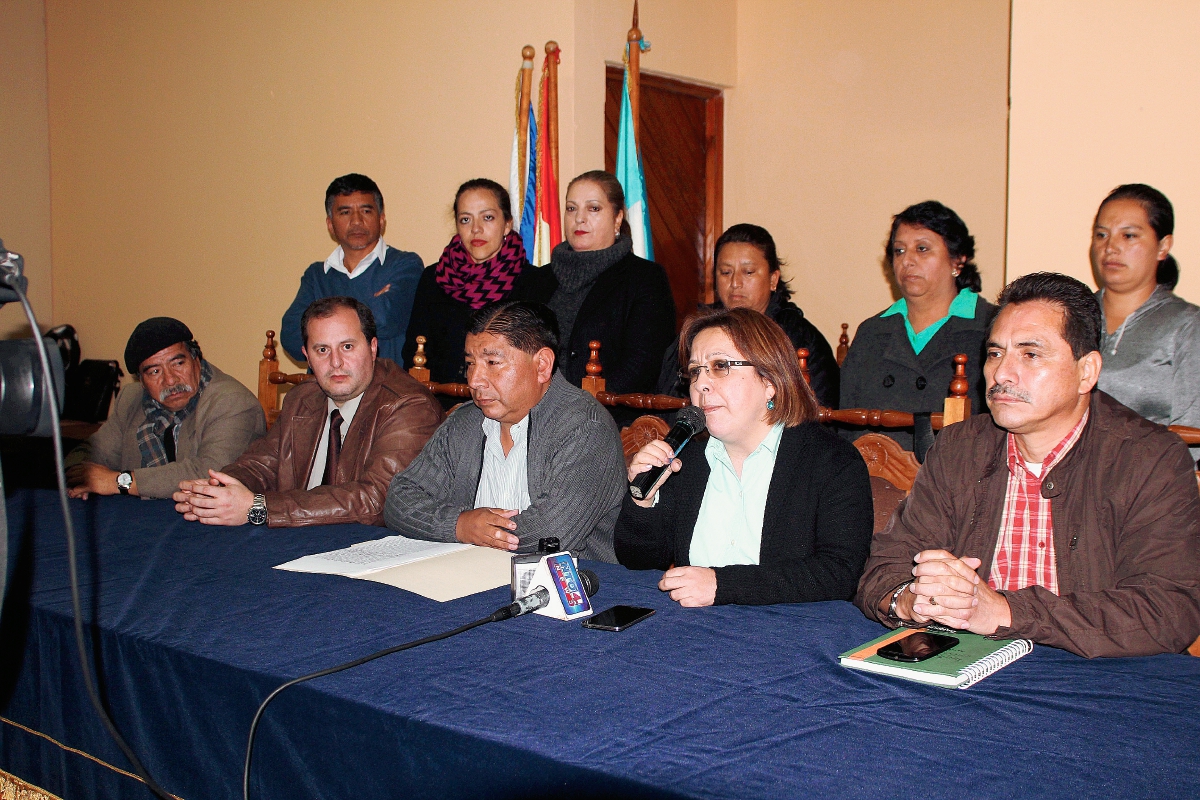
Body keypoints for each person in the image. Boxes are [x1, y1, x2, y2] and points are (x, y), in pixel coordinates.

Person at [855, 273, 1200, 658]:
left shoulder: (1150, 458)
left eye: (1030, 354)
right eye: (995, 353)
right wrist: (908, 598)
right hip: (972, 666)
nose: (1001, 373)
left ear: (1086, 371)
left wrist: (1004, 611)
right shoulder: (960, 448)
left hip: (1100, 678)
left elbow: (1169, 608)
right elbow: (885, 564)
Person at [617, 307, 874, 607]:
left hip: (793, 634)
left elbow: (839, 573)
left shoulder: (832, 461)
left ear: (770, 382)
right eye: (696, 370)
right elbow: (637, 562)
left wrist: (722, 585)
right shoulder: (688, 459)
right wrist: (643, 501)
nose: (701, 383)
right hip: (697, 630)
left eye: (720, 366)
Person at [385, 300, 625, 562]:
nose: (475, 380)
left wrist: (480, 532)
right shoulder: (466, 422)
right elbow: (400, 500)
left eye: (492, 362)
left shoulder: (585, 427)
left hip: (573, 587)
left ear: (542, 365)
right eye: (470, 363)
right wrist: (460, 525)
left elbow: (551, 534)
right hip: (470, 575)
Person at [174, 297, 442, 527]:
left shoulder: (408, 406)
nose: (335, 362)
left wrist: (260, 508)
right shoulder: (302, 398)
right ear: (307, 355)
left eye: (347, 347)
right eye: (322, 350)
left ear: (372, 348)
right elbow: (262, 464)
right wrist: (218, 492)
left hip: (372, 552)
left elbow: (377, 500)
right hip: (298, 542)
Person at [839, 201, 996, 450]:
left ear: (958, 260)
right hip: (874, 477)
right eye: (899, 251)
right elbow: (844, 424)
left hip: (956, 479)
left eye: (922, 249)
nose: (907, 261)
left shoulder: (991, 327)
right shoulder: (872, 331)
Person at [66, 317, 265, 500]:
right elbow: (93, 451)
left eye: (178, 363)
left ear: (196, 359)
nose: (170, 380)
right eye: (154, 371)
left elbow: (209, 474)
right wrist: (83, 478)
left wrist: (118, 482)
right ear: (141, 381)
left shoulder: (232, 401)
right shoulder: (131, 399)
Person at [656, 224, 839, 408]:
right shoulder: (697, 332)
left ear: (773, 279)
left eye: (748, 272)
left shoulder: (798, 337)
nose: (735, 283)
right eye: (726, 272)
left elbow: (821, 413)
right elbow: (667, 400)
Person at [401, 178, 555, 391]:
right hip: (439, 402)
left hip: (508, 405)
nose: (476, 229)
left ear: (507, 224)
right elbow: (414, 352)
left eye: (488, 218)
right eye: (465, 220)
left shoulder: (536, 282)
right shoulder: (434, 277)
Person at [1090, 183, 1200, 464]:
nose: (1110, 247)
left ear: (1163, 246)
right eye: (1101, 235)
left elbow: (1192, 433)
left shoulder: (1186, 324)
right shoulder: (1071, 315)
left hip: (1151, 484)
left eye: (1128, 236)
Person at [547, 170, 675, 396]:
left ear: (617, 218)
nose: (579, 218)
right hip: (532, 416)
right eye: (571, 208)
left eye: (593, 208)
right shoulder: (536, 280)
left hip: (608, 418)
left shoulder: (645, 279)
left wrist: (578, 408)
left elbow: (642, 366)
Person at [281, 174, 423, 365]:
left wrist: (322, 325)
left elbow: (387, 318)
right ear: (330, 224)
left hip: (387, 390)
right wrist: (373, 303)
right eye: (345, 212)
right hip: (327, 391)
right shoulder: (317, 276)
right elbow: (291, 337)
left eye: (365, 211)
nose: (356, 221)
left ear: (381, 219)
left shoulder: (405, 265)